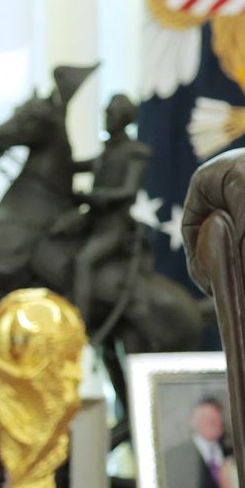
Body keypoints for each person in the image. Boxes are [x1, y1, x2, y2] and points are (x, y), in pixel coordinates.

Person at [57, 94, 151, 327]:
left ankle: (80, 323)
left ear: (125, 118)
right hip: (92, 219)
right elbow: (70, 167)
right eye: (106, 112)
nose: (107, 117)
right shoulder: (105, 152)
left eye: (112, 113)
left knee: (84, 260)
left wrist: (94, 196)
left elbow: (128, 191)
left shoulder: (135, 152)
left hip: (114, 225)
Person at [164, 397, 234, 488]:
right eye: (206, 418)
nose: (214, 422)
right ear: (193, 422)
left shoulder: (234, 455)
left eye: (217, 417)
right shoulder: (176, 457)